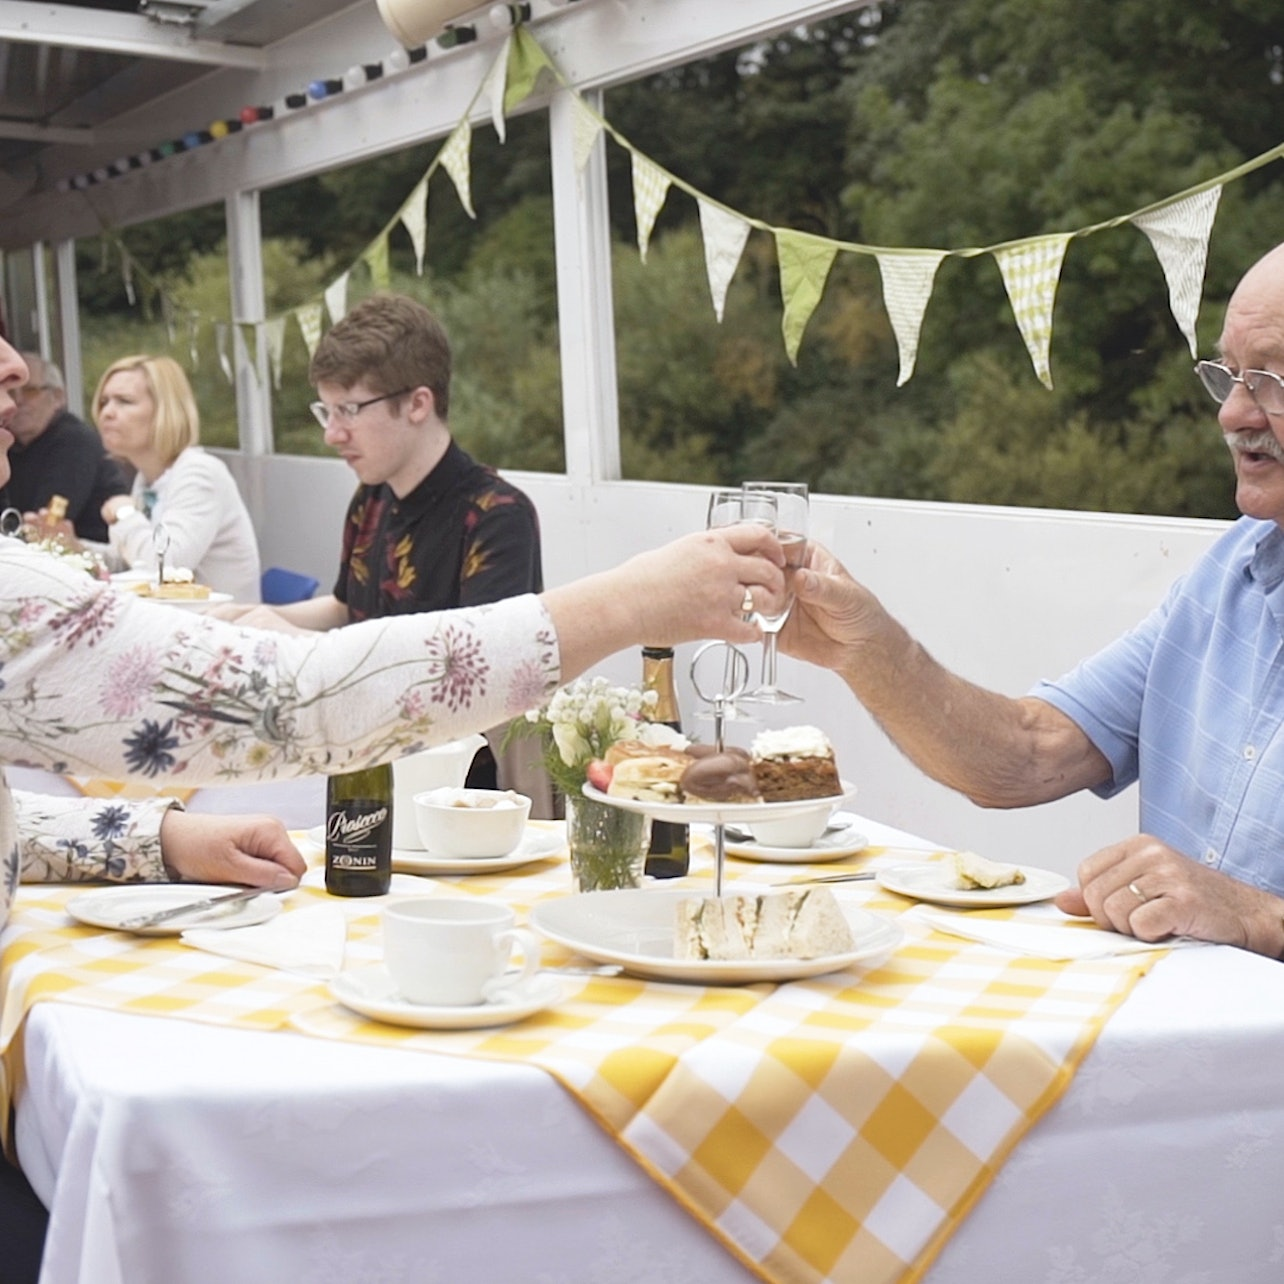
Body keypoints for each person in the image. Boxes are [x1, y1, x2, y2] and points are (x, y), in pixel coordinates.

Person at [781, 240, 1284, 960]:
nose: (1232, 414)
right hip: (1178, 1044)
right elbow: (1026, 753)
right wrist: (866, 647)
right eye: (1230, 376)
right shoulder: (1228, 570)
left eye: (1268, 380)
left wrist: (1258, 918)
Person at [215, 293, 545, 796]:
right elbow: (349, 608)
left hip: (459, 793)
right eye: (325, 411)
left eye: (348, 409)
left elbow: (473, 678)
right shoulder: (372, 497)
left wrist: (295, 641)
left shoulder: (498, 516)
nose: (331, 434)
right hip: (365, 759)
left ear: (417, 403)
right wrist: (244, 619)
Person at [80, 354, 262, 600]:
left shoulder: (199, 473)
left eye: (124, 401)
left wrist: (125, 514)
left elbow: (164, 567)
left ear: (166, 411)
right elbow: (134, 563)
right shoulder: (148, 478)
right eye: (104, 402)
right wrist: (75, 548)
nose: (107, 413)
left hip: (219, 628)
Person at [0, 351, 131, 542]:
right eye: (11, 392)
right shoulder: (11, 446)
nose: (17, 400)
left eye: (30, 391)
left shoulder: (75, 441)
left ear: (58, 397)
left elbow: (47, 522)